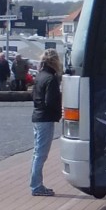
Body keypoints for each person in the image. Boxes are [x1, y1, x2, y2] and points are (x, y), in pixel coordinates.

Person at [30, 49, 63, 197]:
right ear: (55, 61)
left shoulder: (40, 76)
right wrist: (59, 111)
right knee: (41, 154)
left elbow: (34, 95)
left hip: (37, 116)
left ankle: (36, 184)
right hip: (45, 118)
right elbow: (50, 101)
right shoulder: (51, 78)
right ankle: (36, 186)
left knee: (37, 153)